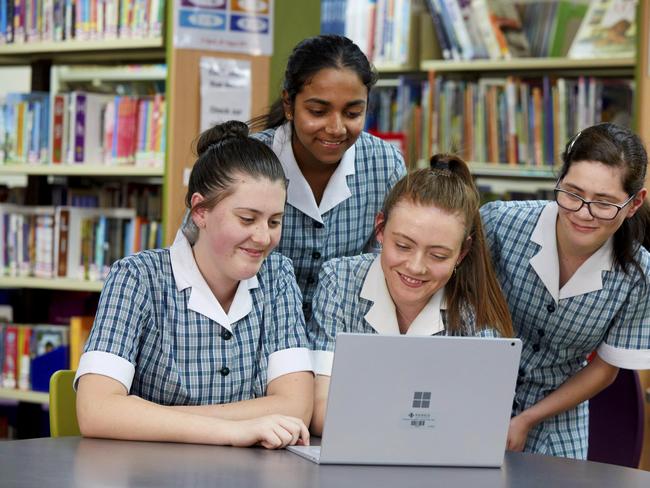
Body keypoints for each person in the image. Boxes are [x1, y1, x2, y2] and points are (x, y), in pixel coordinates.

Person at [75, 121, 313, 449]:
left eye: (274, 221)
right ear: (200, 211)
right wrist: (236, 430)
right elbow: (96, 409)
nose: (263, 237)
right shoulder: (137, 278)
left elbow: (296, 407)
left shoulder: (278, 277)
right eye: (247, 219)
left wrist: (151, 417)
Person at [308, 155, 514, 435]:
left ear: (462, 253)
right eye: (403, 246)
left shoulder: (474, 310)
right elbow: (320, 410)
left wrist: (366, 415)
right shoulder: (339, 281)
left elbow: (480, 427)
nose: (416, 267)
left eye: (438, 255)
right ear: (380, 229)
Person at [480, 123, 650, 459]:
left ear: (634, 203)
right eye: (572, 193)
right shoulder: (499, 224)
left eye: (604, 203)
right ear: (558, 180)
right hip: (475, 392)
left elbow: (605, 369)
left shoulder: (639, 275)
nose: (582, 214)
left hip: (557, 413)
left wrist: (528, 419)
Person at [250, 34, 407, 319]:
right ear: (289, 104)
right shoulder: (247, 161)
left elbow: (391, 262)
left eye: (353, 113)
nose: (336, 128)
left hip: (346, 327)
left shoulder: (385, 164)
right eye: (318, 111)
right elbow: (200, 256)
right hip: (257, 329)